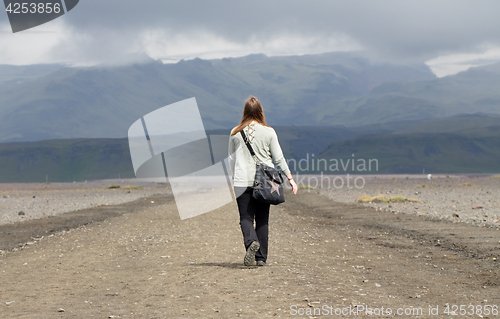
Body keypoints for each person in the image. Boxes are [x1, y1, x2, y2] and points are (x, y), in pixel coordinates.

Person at [228, 96, 298, 267]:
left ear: (245, 112)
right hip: (265, 181)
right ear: (260, 111)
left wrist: (233, 175)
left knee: (245, 217)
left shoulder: (235, 132)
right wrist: (290, 178)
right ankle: (261, 258)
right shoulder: (269, 132)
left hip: (242, 181)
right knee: (262, 219)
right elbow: (278, 158)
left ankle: (251, 241)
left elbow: (231, 158)